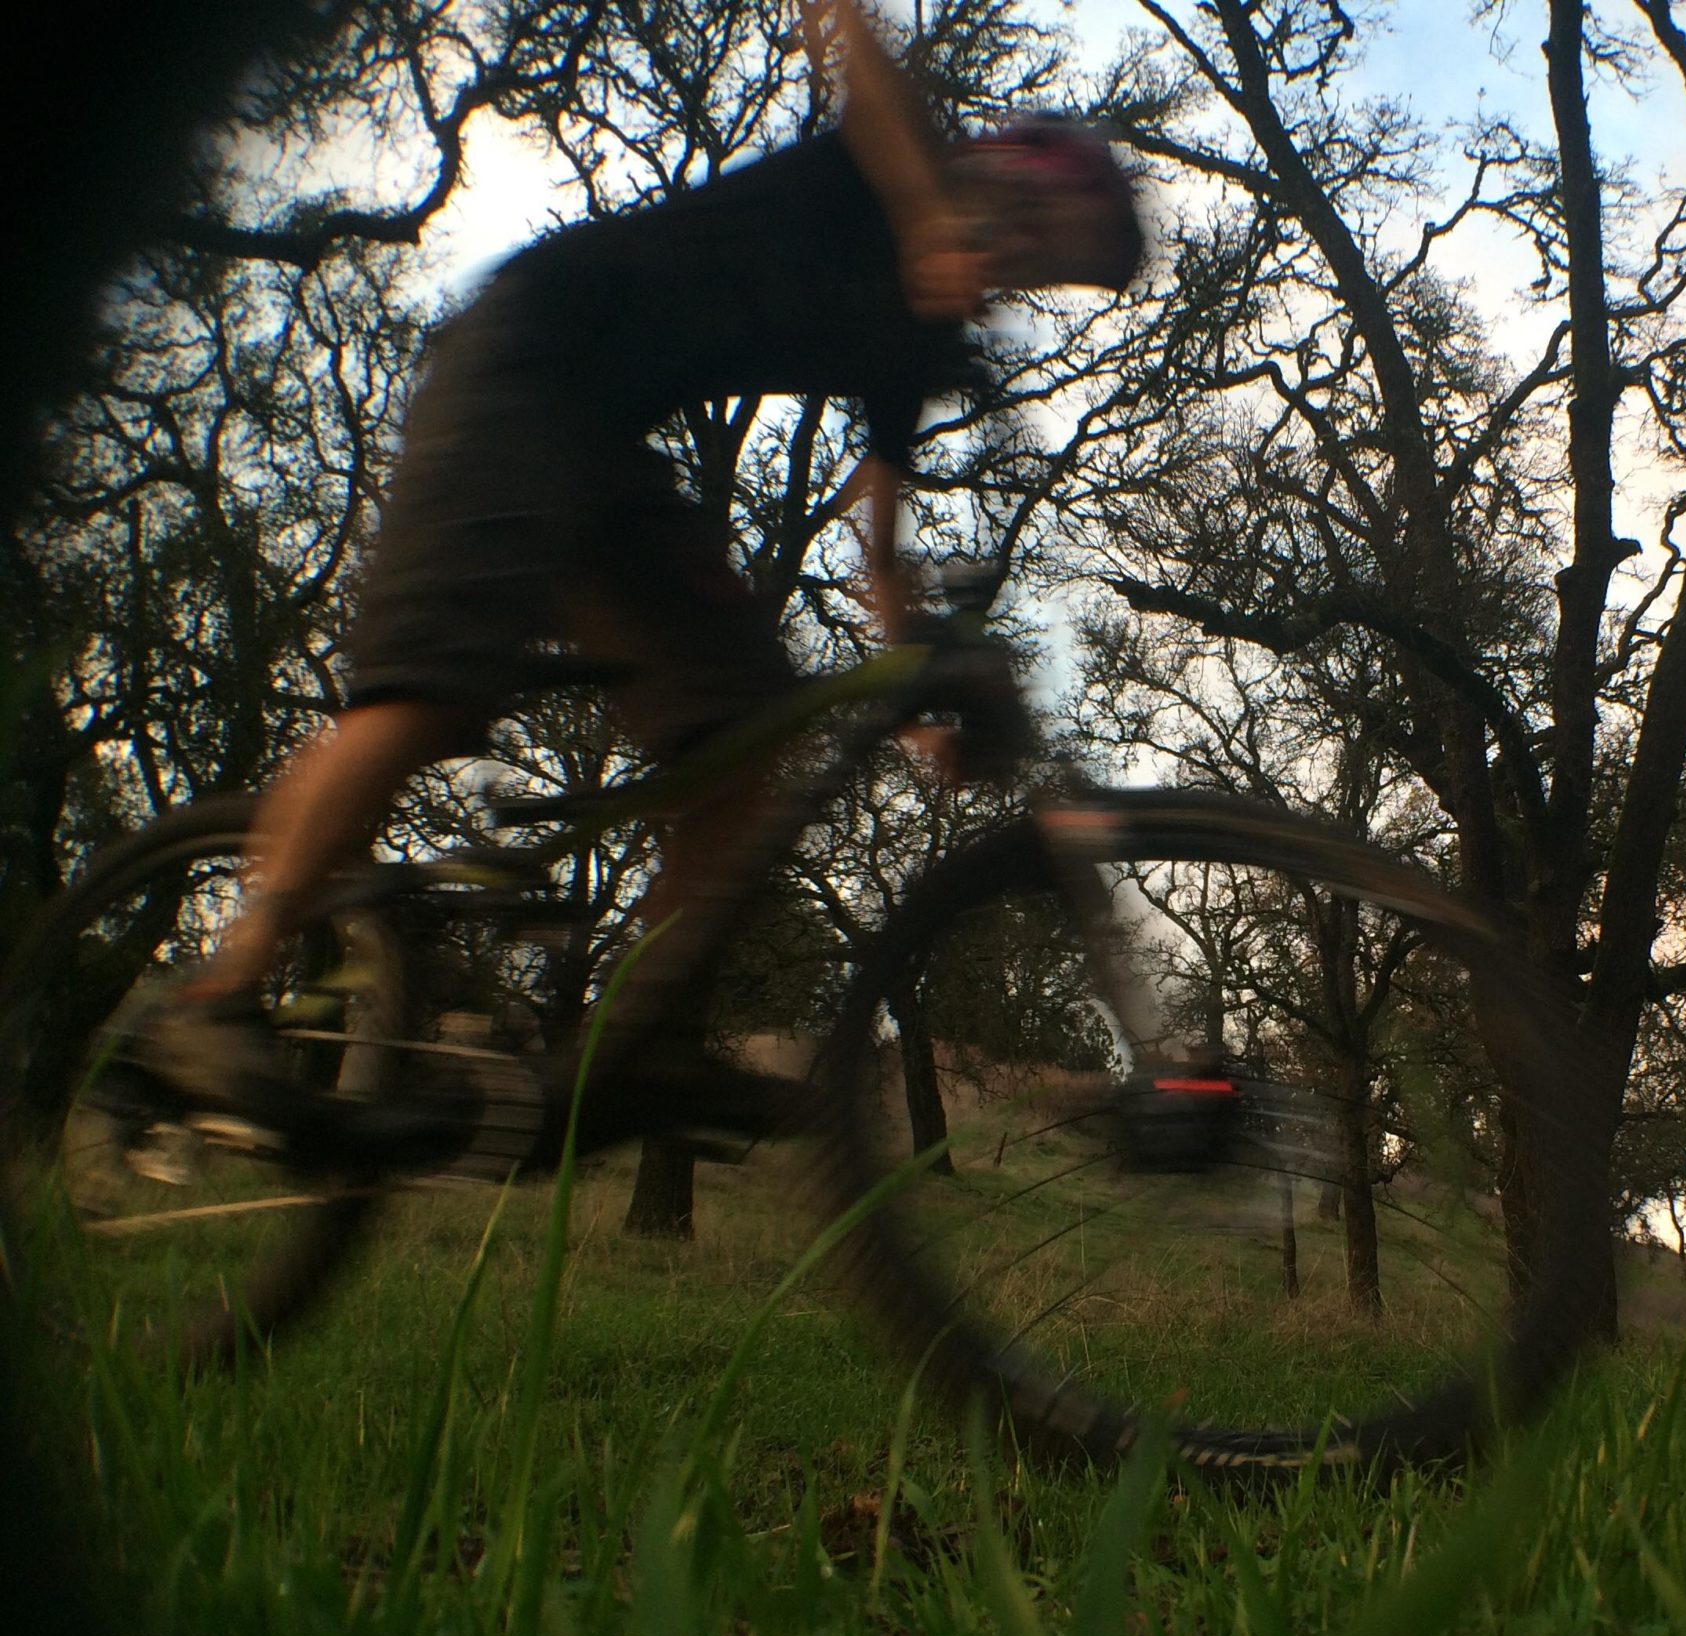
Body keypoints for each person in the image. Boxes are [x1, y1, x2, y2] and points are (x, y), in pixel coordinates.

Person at [139, 0, 1142, 1150]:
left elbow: (878, 535)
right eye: (1040, 233)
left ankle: (636, 1044)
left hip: (610, 457)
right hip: (523, 359)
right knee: (429, 691)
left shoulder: (919, 339)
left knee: (744, 735)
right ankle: (215, 996)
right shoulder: (897, 156)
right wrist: (922, 212)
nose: (1021, 270)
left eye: (1051, 272)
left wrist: (915, 683)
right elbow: (843, 27)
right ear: (1012, 170)